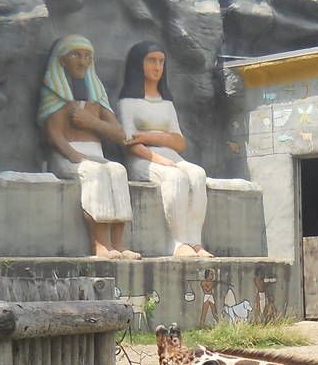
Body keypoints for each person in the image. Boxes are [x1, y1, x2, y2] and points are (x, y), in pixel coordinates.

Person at [38, 35, 139, 260]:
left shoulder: (96, 93)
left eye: (87, 57)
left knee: (118, 170)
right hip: (67, 155)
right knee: (94, 172)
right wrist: (76, 156)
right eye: (76, 55)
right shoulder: (55, 91)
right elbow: (54, 134)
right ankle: (100, 244)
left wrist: (91, 122)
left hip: (96, 154)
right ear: (62, 60)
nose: (83, 62)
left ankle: (118, 243)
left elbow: (120, 134)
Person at [118, 41, 211, 258]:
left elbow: (180, 143)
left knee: (198, 174)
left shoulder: (166, 103)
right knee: (175, 178)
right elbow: (130, 142)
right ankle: (178, 243)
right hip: (143, 159)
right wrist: (157, 156)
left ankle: (195, 242)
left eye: (161, 61)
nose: (157, 66)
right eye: (151, 60)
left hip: (172, 156)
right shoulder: (128, 102)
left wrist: (150, 136)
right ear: (138, 64)